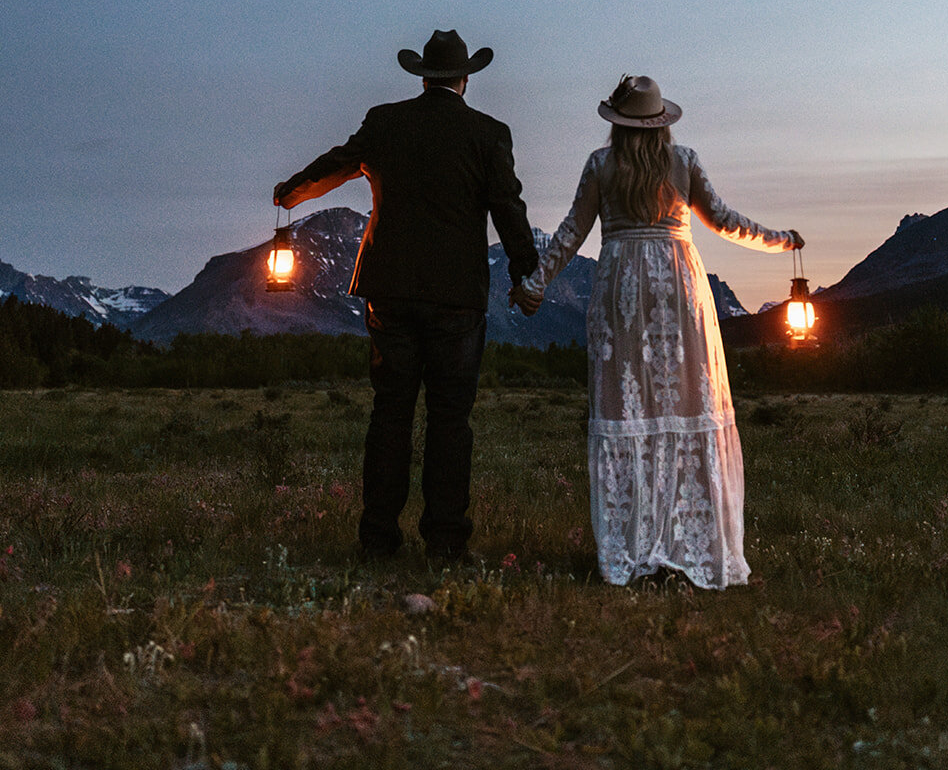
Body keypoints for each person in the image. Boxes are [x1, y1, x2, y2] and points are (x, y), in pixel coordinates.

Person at [510, 74, 803, 590]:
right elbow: (728, 221)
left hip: (622, 288)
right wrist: (781, 242)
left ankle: (632, 543)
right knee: (689, 403)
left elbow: (571, 233)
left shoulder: (601, 164)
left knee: (630, 409)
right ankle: (692, 542)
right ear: (662, 121)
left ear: (618, 125)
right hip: (679, 287)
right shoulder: (684, 161)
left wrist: (535, 284)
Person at [274, 29, 539, 561]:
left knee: (390, 413)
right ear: (466, 78)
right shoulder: (488, 133)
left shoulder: (385, 122)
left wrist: (289, 193)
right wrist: (525, 272)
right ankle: (444, 541)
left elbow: (336, 164)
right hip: (457, 297)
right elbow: (508, 206)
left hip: (389, 293)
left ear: (422, 77)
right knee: (450, 419)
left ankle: (377, 538)